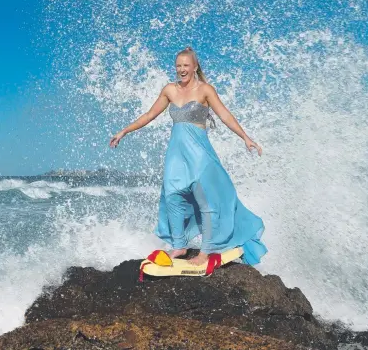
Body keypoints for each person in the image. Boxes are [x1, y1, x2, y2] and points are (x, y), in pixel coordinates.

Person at [109, 47, 267, 266]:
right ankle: (179, 245)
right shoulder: (169, 91)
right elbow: (149, 115)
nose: (181, 69)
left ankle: (206, 251)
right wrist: (124, 131)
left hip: (200, 154)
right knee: (172, 196)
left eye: (185, 65)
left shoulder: (205, 90)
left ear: (194, 67)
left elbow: (225, 115)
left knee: (205, 199)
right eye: (178, 66)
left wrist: (245, 138)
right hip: (176, 154)